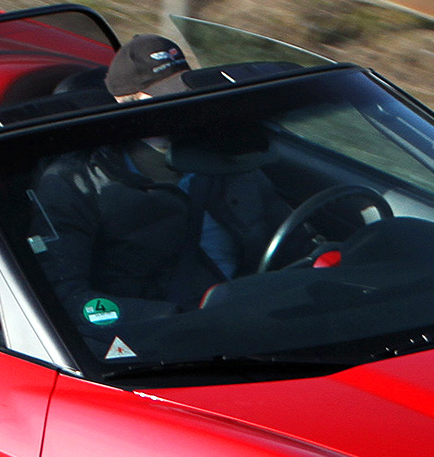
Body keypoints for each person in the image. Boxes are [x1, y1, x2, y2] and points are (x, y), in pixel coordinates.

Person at [24, 36, 291, 325]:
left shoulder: (231, 157)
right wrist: (177, 320)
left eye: (186, 90)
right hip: (164, 341)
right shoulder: (75, 184)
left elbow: (291, 240)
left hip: (261, 318)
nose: (183, 105)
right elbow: (65, 298)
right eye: (166, 95)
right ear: (123, 104)